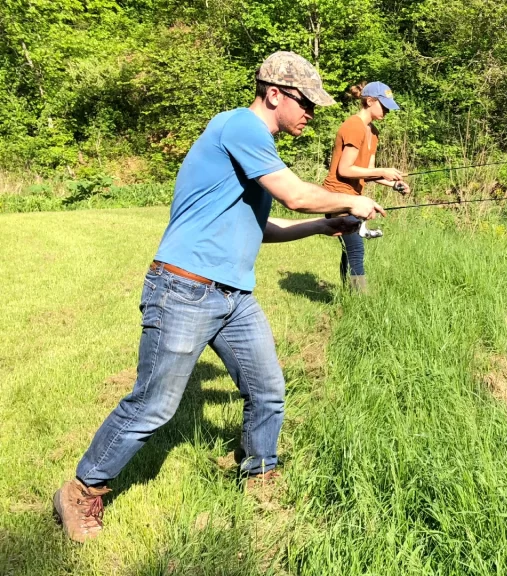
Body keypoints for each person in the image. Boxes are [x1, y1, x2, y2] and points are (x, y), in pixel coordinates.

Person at [52, 51, 385, 544]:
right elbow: (295, 193)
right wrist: (351, 198)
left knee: (267, 387)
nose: (311, 113)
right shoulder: (239, 127)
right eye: (305, 103)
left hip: (234, 296)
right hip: (183, 287)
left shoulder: (257, 150)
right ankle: (82, 489)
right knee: (154, 406)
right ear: (274, 94)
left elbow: (263, 226)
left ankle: (259, 474)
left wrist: (323, 224)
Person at [322, 81, 407, 292]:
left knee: (349, 249)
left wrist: (394, 184)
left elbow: (367, 171)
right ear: (369, 101)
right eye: (384, 105)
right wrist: (382, 171)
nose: (387, 110)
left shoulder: (373, 132)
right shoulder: (353, 126)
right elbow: (345, 169)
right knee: (356, 250)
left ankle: (347, 295)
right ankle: (360, 299)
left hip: (354, 199)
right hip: (337, 196)